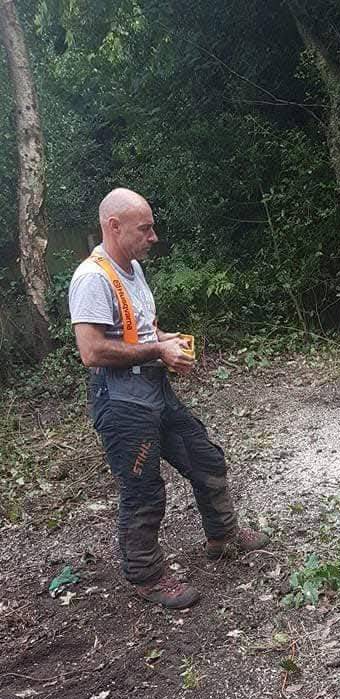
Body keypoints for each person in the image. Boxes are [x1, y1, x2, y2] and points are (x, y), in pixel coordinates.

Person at [69, 187, 268, 609]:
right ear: (114, 226)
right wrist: (157, 350)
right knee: (143, 490)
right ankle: (146, 576)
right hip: (121, 402)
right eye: (145, 229)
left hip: (154, 389)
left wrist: (164, 340)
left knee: (206, 457)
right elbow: (91, 351)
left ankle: (223, 536)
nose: (153, 236)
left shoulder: (133, 270)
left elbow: (139, 329)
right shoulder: (92, 278)